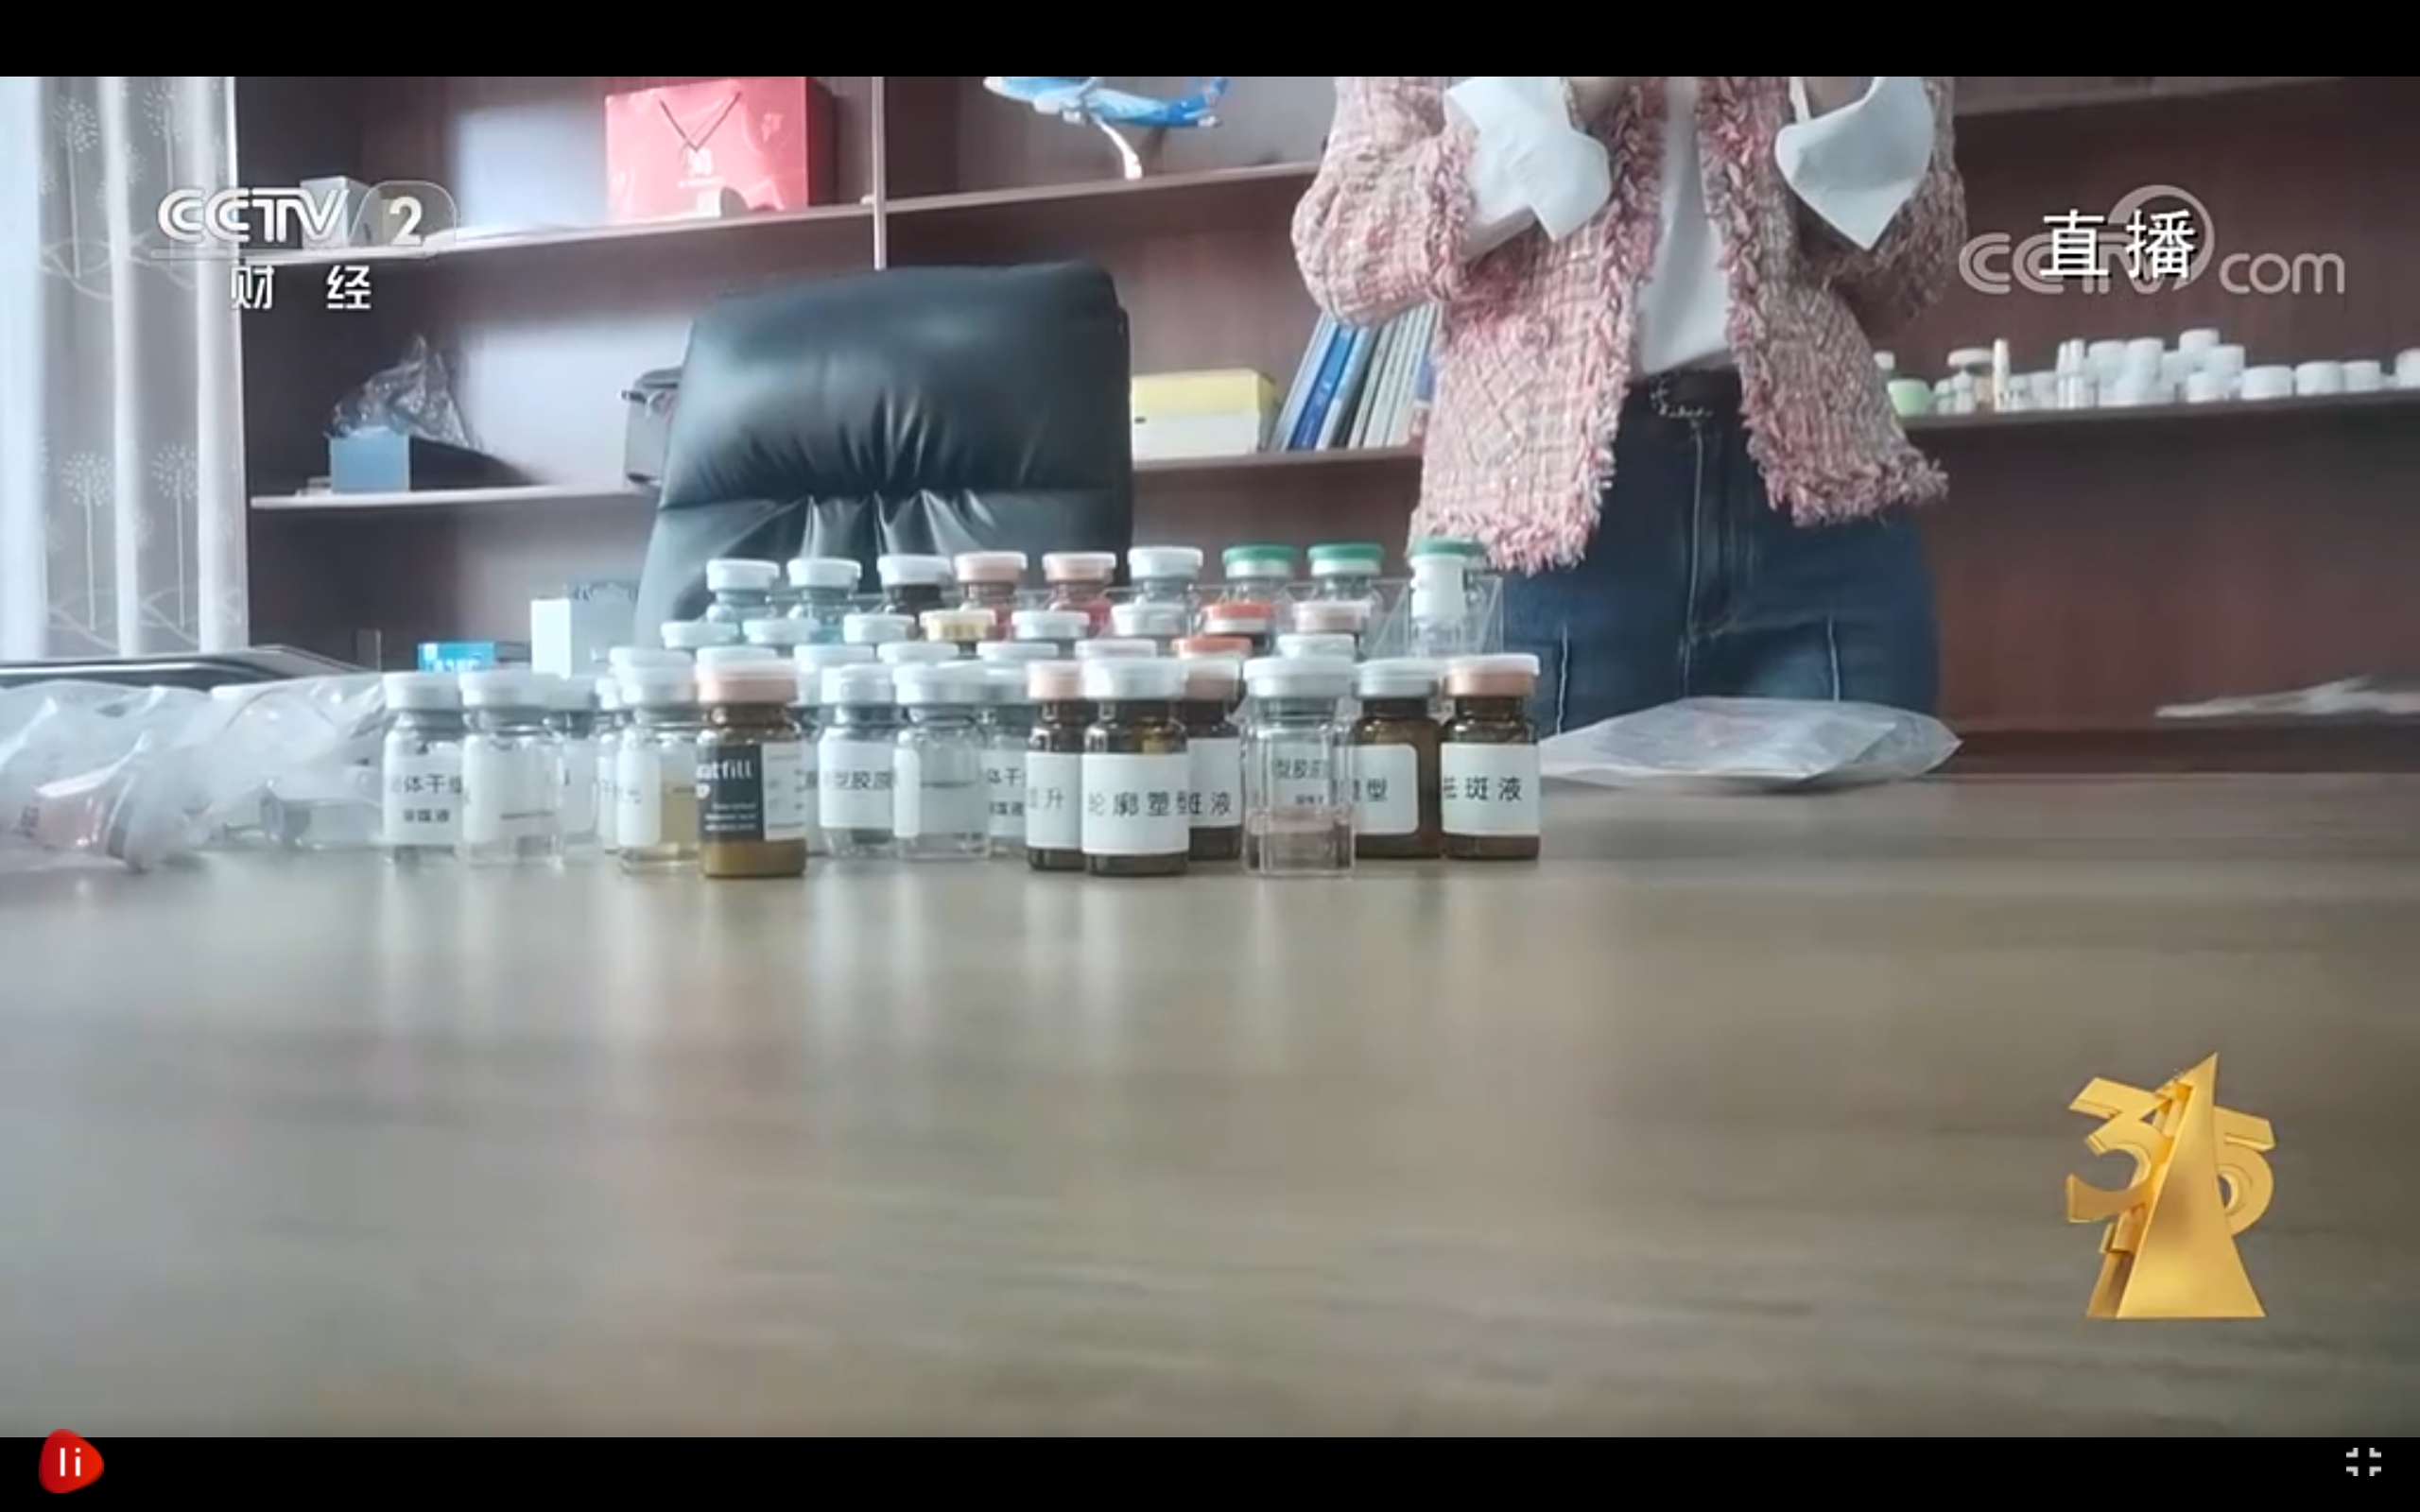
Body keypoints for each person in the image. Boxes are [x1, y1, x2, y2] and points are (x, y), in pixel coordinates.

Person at [1293, 77, 1964, 731]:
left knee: (1869, 809)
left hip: (1820, 519)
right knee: (1537, 811)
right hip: (1538, 524)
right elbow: (1345, 250)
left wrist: (1841, 94)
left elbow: (1918, 275)